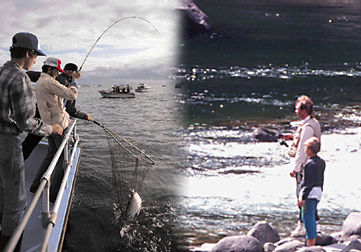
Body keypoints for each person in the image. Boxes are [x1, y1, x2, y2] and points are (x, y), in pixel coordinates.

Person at [0, 32, 62, 251]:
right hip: (8, 142)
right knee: (16, 202)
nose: (35, 60)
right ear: (28, 53)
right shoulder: (20, 78)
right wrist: (51, 129)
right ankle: (10, 245)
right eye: (35, 55)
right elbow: (26, 122)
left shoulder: (2, 72)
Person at [29, 57, 78, 203]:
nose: (57, 74)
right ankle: (53, 194)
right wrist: (74, 82)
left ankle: (35, 185)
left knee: (51, 154)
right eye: (56, 71)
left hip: (48, 124)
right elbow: (72, 95)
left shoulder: (40, 81)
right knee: (62, 160)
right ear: (50, 69)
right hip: (58, 126)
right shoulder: (49, 82)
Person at [22, 63, 92, 160]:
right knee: (60, 154)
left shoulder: (48, 78)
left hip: (40, 116)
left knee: (28, 145)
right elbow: (71, 110)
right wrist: (85, 116)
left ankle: (14, 167)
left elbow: (29, 74)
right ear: (72, 72)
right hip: (55, 122)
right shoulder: (67, 83)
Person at [282, 95, 321, 237]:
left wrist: (296, 169)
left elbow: (302, 151)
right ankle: (314, 225)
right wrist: (292, 137)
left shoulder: (308, 127)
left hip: (305, 167)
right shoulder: (311, 123)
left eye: (297, 108)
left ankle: (304, 226)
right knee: (308, 195)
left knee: (302, 195)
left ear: (304, 110)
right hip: (310, 165)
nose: (295, 111)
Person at [298, 137, 325, 246]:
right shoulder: (321, 162)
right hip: (318, 190)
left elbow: (307, 183)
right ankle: (312, 239)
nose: (305, 150)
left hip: (310, 192)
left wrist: (302, 197)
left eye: (305, 148)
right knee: (312, 215)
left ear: (309, 150)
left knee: (307, 216)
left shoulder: (310, 164)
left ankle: (311, 241)